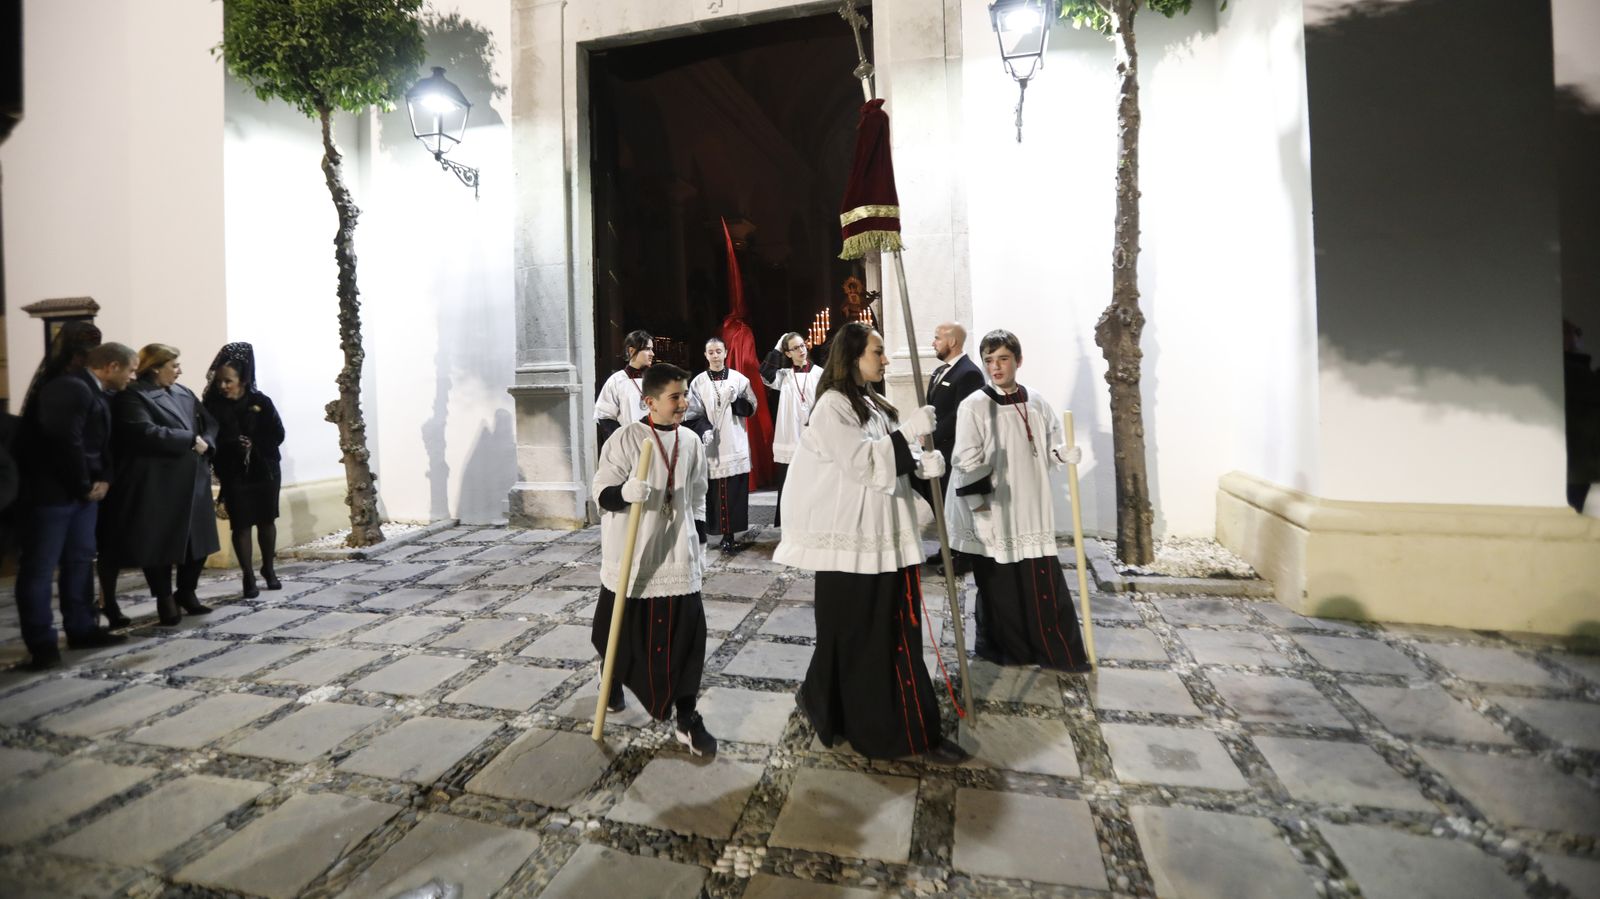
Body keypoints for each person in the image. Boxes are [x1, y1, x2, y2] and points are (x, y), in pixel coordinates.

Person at [774, 321, 968, 764]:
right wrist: (906, 436)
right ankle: (885, 729)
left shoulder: (872, 403)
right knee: (862, 639)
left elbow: (889, 462)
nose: (885, 360)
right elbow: (862, 463)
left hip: (885, 540)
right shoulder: (833, 406)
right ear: (852, 356)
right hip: (855, 547)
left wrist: (923, 464)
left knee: (889, 633)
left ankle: (883, 717)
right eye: (878, 353)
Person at [589, 362, 718, 756]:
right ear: (650, 401)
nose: (684, 403)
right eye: (675, 397)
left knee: (689, 638)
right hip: (634, 553)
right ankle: (610, 677)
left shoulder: (692, 442)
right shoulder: (627, 440)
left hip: (677, 554)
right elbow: (601, 493)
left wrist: (698, 537)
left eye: (685, 395)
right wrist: (625, 492)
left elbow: (698, 494)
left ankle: (686, 716)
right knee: (617, 634)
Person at [946, 329, 1089, 672]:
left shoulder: (1036, 401)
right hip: (998, 512)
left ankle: (1052, 650)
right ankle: (1010, 651)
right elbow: (967, 461)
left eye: (1003, 359)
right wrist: (981, 513)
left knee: (1042, 584)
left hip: (1033, 511)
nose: (995, 367)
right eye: (989, 361)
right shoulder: (975, 406)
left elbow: (1051, 440)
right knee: (1003, 590)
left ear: (1018, 361)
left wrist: (1062, 453)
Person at [12, 339, 136, 669]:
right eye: (130, 370)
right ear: (111, 367)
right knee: (39, 569)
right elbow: (65, 442)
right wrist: (83, 485)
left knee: (80, 561)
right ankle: (42, 645)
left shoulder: (96, 391)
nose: (132, 377)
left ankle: (82, 629)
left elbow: (102, 443)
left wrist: (105, 478)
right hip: (52, 496)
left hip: (82, 496)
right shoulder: (68, 388)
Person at [101, 344, 221, 627]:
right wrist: (189, 440)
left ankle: (186, 592)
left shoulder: (184, 393)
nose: (180, 371)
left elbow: (210, 424)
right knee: (160, 544)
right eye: (174, 365)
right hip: (158, 481)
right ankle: (164, 597)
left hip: (194, 479)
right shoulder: (133, 395)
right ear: (156, 366)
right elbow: (142, 431)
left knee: (199, 542)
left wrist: (208, 442)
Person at [203, 343, 286, 598]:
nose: (223, 386)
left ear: (243, 379)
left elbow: (278, 434)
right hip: (234, 472)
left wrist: (255, 443)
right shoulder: (212, 405)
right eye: (220, 382)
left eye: (228, 381)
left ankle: (269, 569)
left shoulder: (261, 401)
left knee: (266, 520)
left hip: (264, 471)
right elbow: (208, 437)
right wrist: (230, 444)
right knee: (241, 524)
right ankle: (248, 575)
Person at [684, 337, 759, 552]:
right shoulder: (698, 382)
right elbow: (692, 414)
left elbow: (752, 408)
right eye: (711, 352)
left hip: (734, 442)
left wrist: (736, 400)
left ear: (726, 353)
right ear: (705, 355)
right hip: (712, 445)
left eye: (719, 351)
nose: (715, 355)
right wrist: (704, 429)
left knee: (734, 490)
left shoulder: (739, 379)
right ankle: (714, 533)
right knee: (713, 492)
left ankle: (730, 535)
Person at [911, 322, 984, 524]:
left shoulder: (969, 373)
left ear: (952, 341)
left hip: (953, 454)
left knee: (953, 507)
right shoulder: (939, 372)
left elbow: (960, 415)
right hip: (936, 451)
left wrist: (931, 437)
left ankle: (955, 552)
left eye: (937, 338)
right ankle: (946, 550)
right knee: (939, 501)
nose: (933, 343)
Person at [760, 331, 822, 527]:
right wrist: (777, 348)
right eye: (795, 348)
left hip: (814, 439)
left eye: (802, 345)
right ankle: (792, 528)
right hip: (790, 438)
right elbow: (764, 373)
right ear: (787, 353)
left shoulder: (820, 373)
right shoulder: (783, 376)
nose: (801, 350)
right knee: (791, 486)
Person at [594, 329, 654, 452]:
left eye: (652, 349)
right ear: (631, 351)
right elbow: (605, 417)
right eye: (647, 349)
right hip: (630, 449)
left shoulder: (657, 379)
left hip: (657, 444)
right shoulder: (617, 381)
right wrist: (622, 443)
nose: (652, 353)